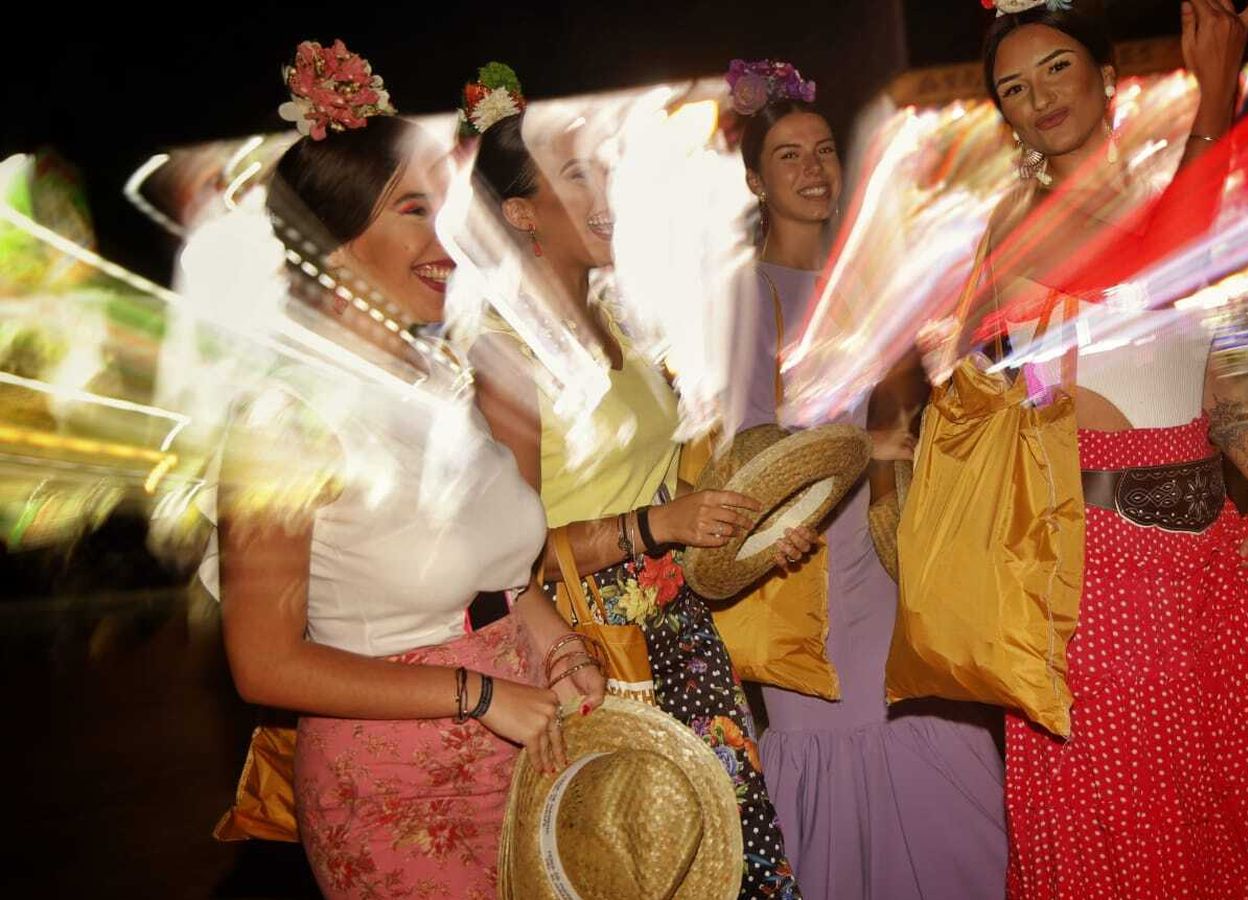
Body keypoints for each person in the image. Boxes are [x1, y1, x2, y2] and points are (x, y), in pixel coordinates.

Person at [955, 4, 1248, 895]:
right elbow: (1153, 266)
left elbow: (1197, 365)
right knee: (1147, 821)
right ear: (1007, 118)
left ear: (1107, 77)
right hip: (1100, 571)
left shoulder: (1162, 194)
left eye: (1057, 68)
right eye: (1014, 89)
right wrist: (1216, 99)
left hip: (1210, 553)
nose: (1040, 97)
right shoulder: (1023, 221)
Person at [213, 41, 604, 900]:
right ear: (334, 240)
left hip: (527, 758)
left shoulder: (442, 384)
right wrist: (478, 695)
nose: (448, 242)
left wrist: (559, 648)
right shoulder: (284, 417)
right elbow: (265, 664)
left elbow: (500, 580)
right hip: (399, 795)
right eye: (415, 211)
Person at [462, 96, 805, 899]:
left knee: (728, 854)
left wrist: (744, 528)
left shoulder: (621, 322)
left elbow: (667, 484)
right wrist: (655, 525)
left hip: (678, 629)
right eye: (576, 177)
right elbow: (508, 559)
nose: (608, 195)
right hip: (591, 649)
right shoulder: (507, 356)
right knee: (639, 864)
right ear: (521, 213)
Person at [724, 59, 1009, 899]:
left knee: (936, 743)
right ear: (755, 181)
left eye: (823, 151)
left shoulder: (862, 285)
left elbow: (919, 401)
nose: (814, 169)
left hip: (890, 553)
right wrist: (864, 447)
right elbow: (752, 447)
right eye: (788, 156)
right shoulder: (750, 299)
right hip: (810, 571)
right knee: (848, 757)